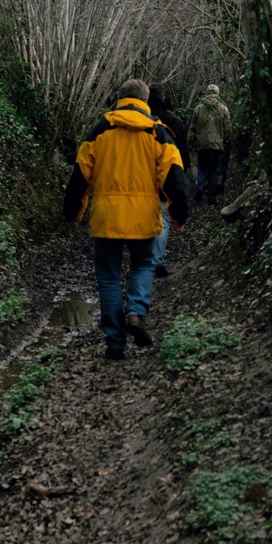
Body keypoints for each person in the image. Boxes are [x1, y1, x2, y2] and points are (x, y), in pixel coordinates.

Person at [63, 79, 189, 360]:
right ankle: (135, 311)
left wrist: (73, 212)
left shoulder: (99, 131)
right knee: (143, 264)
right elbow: (174, 178)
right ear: (145, 100)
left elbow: (80, 176)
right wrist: (179, 214)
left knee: (108, 277)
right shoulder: (158, 133)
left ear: (119, 99)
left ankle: (115, 342)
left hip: (106, 217)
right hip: (143, 218)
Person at [148, 83, 190, 279]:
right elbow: (181, 150)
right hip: (168, 174)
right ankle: (156, 262)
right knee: (162, 218)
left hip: (143, 176)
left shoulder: (143, 121)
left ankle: (147, 259)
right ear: (164, 99)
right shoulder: (173, 121)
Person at [187, 84, 232, 205]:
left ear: (206, 93)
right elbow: (228, 129)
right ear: (217, 94)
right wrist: (228, 141)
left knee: (202, 167)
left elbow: (192, 128)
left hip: (202, 145)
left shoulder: (198, 108)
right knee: (215, 170)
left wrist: (190, 143)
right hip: (217, 145)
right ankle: (212, 198)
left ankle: (201, 186)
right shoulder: (223, 108)